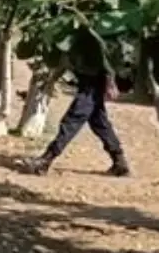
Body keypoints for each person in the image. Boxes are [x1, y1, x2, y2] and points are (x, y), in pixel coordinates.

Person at [20, 25, 130, 177]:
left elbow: (103, 56)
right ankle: (120, 162)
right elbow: (65, 59)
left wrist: (110, 81)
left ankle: (46, 160)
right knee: (100, 123)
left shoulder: (86, 31)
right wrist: (52, 80)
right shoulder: (69, 33)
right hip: (87, 80)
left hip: (93, 82)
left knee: (72, 120)